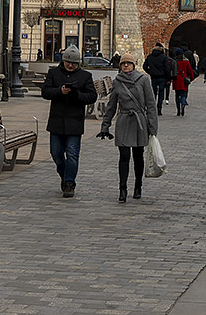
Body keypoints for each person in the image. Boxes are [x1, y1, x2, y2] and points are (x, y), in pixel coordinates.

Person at [97, 51, 159, 203]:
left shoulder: (143, 80)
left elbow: (151, 105)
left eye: (128, 63)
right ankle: (122, 189)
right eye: (123, 63)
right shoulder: (117, 81)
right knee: (124, 157)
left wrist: (153, 127)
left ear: (133, 65)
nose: (125, 65)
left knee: (138, 156)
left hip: (139, 122)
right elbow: (111, 106)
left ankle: (138, 185)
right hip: (124, 121)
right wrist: (105, 125)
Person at [40, 46, 97, 198]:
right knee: (56, 153)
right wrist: (60, 91)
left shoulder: (85, 76)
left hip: (74, 123)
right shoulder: (54, 73)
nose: (70, 66)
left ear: (79, 63)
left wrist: (77, 94)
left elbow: (92, 96)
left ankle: (69, 183)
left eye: (74, 63)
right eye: (67, 62)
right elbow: (45, 92)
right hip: (57, 121)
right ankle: (64, 175)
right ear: (63, 61)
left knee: (72, 155)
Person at [143, 43, 173, 115]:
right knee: (161, 93)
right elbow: (167, 68)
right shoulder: (164, 57)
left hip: (153, 77)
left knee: (153, 93)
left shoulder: (150, 56)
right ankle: (159, 108)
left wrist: (150, 72)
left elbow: (144, 66)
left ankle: (151, 108)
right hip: (162, 77)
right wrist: (168, 78)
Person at [173, 50, 196, 116]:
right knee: (183, 94)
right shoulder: (186, 62)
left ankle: (178, 110)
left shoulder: (175, 62)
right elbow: (190, 71)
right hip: (184, 80)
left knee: (177, 95)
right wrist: (191, 78)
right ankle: (183, 104)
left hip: (176, 80)